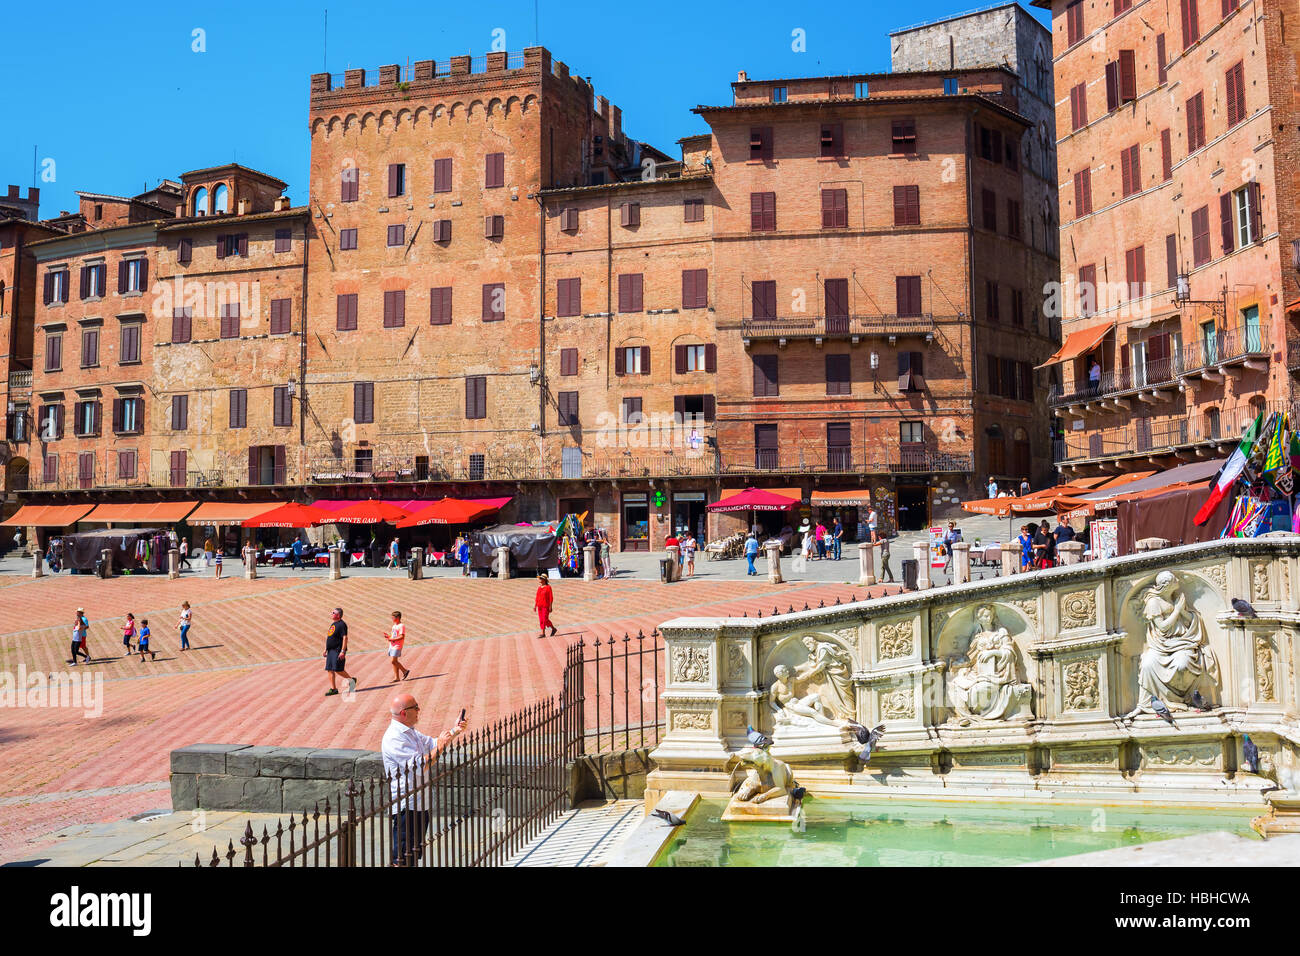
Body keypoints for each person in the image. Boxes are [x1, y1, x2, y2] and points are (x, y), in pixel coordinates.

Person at [381, 693, 467, 866]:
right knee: (402, 857)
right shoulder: (394, 738)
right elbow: (420, 765)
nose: (419, 710)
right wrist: (441, 746)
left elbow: (432, 744)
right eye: (415, 707)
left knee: (412, 855)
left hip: (420, 804)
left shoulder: (409, 731)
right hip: (408, 806)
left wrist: (453, 731)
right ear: (404, 713)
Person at [324, 607, 356, 697]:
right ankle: (333, 688)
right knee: (329, 669)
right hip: (330, 650)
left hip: (337, 650)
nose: (331, 613)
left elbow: (345, 638)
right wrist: (326, 649)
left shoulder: (342, 625)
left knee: (338, 670)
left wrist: (343, 651)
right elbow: (330, 637)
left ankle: (351, 681)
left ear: (338, 615)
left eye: (333, 612)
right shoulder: (333, 624)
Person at [385, 610, 411, 682]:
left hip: (397, 645)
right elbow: (394, 635)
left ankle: (405, 671)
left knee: (393, 661)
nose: (392, 619)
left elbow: (402, 636)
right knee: (394, 661)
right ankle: (397, 677)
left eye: (393, 618)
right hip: (392, 645)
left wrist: (392, 639)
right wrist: (389, 637)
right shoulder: (394, 626)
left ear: (398, 617)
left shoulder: (401, 626)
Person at [535, 572, 556, 639]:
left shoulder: (548, 587)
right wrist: (535, 606)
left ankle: (543, 633)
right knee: (542, 620)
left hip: (545, 606)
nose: (540, 579)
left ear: (544, 580)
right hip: (539, 606)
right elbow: (537, 597)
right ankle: (553, 628)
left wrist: (550, 606)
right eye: (540, 578)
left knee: (544, 619)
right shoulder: (539, 588)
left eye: (541, 578)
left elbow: (551, 597)